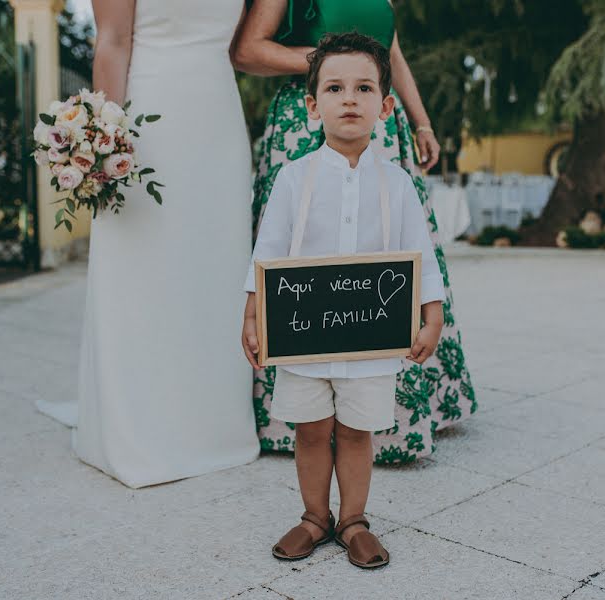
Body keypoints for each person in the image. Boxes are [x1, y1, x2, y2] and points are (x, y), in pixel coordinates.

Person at [233, 0, 475, 464]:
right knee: (303, 248)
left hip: (381, 121)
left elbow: (393, 56)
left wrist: (420, 118)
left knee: (394, 243)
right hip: (312, 124)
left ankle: (388, 417)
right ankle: (303, 417)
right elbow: (247, 50)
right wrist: (336, 67)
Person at [242, 32, 445, 569]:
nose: (349, 98)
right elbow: (267, 250)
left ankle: (354, 519)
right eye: (334, 87)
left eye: (363, 88)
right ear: (313, 106)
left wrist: (431, 314)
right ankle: (315, 517)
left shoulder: (399, 182)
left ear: (385, 105)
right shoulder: (292, 178)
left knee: (357, 432)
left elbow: (418, 252)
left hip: (371, 339)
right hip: (304, 340)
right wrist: (253, 314)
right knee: (310, 431)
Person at [54, 0, 260, 488]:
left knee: (215, 270)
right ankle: (139, 430)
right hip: (149, 123)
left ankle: (215, 426)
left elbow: (242, 46)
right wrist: (106, 140)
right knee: (143, 269)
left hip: (218, 121)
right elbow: (112, 42)